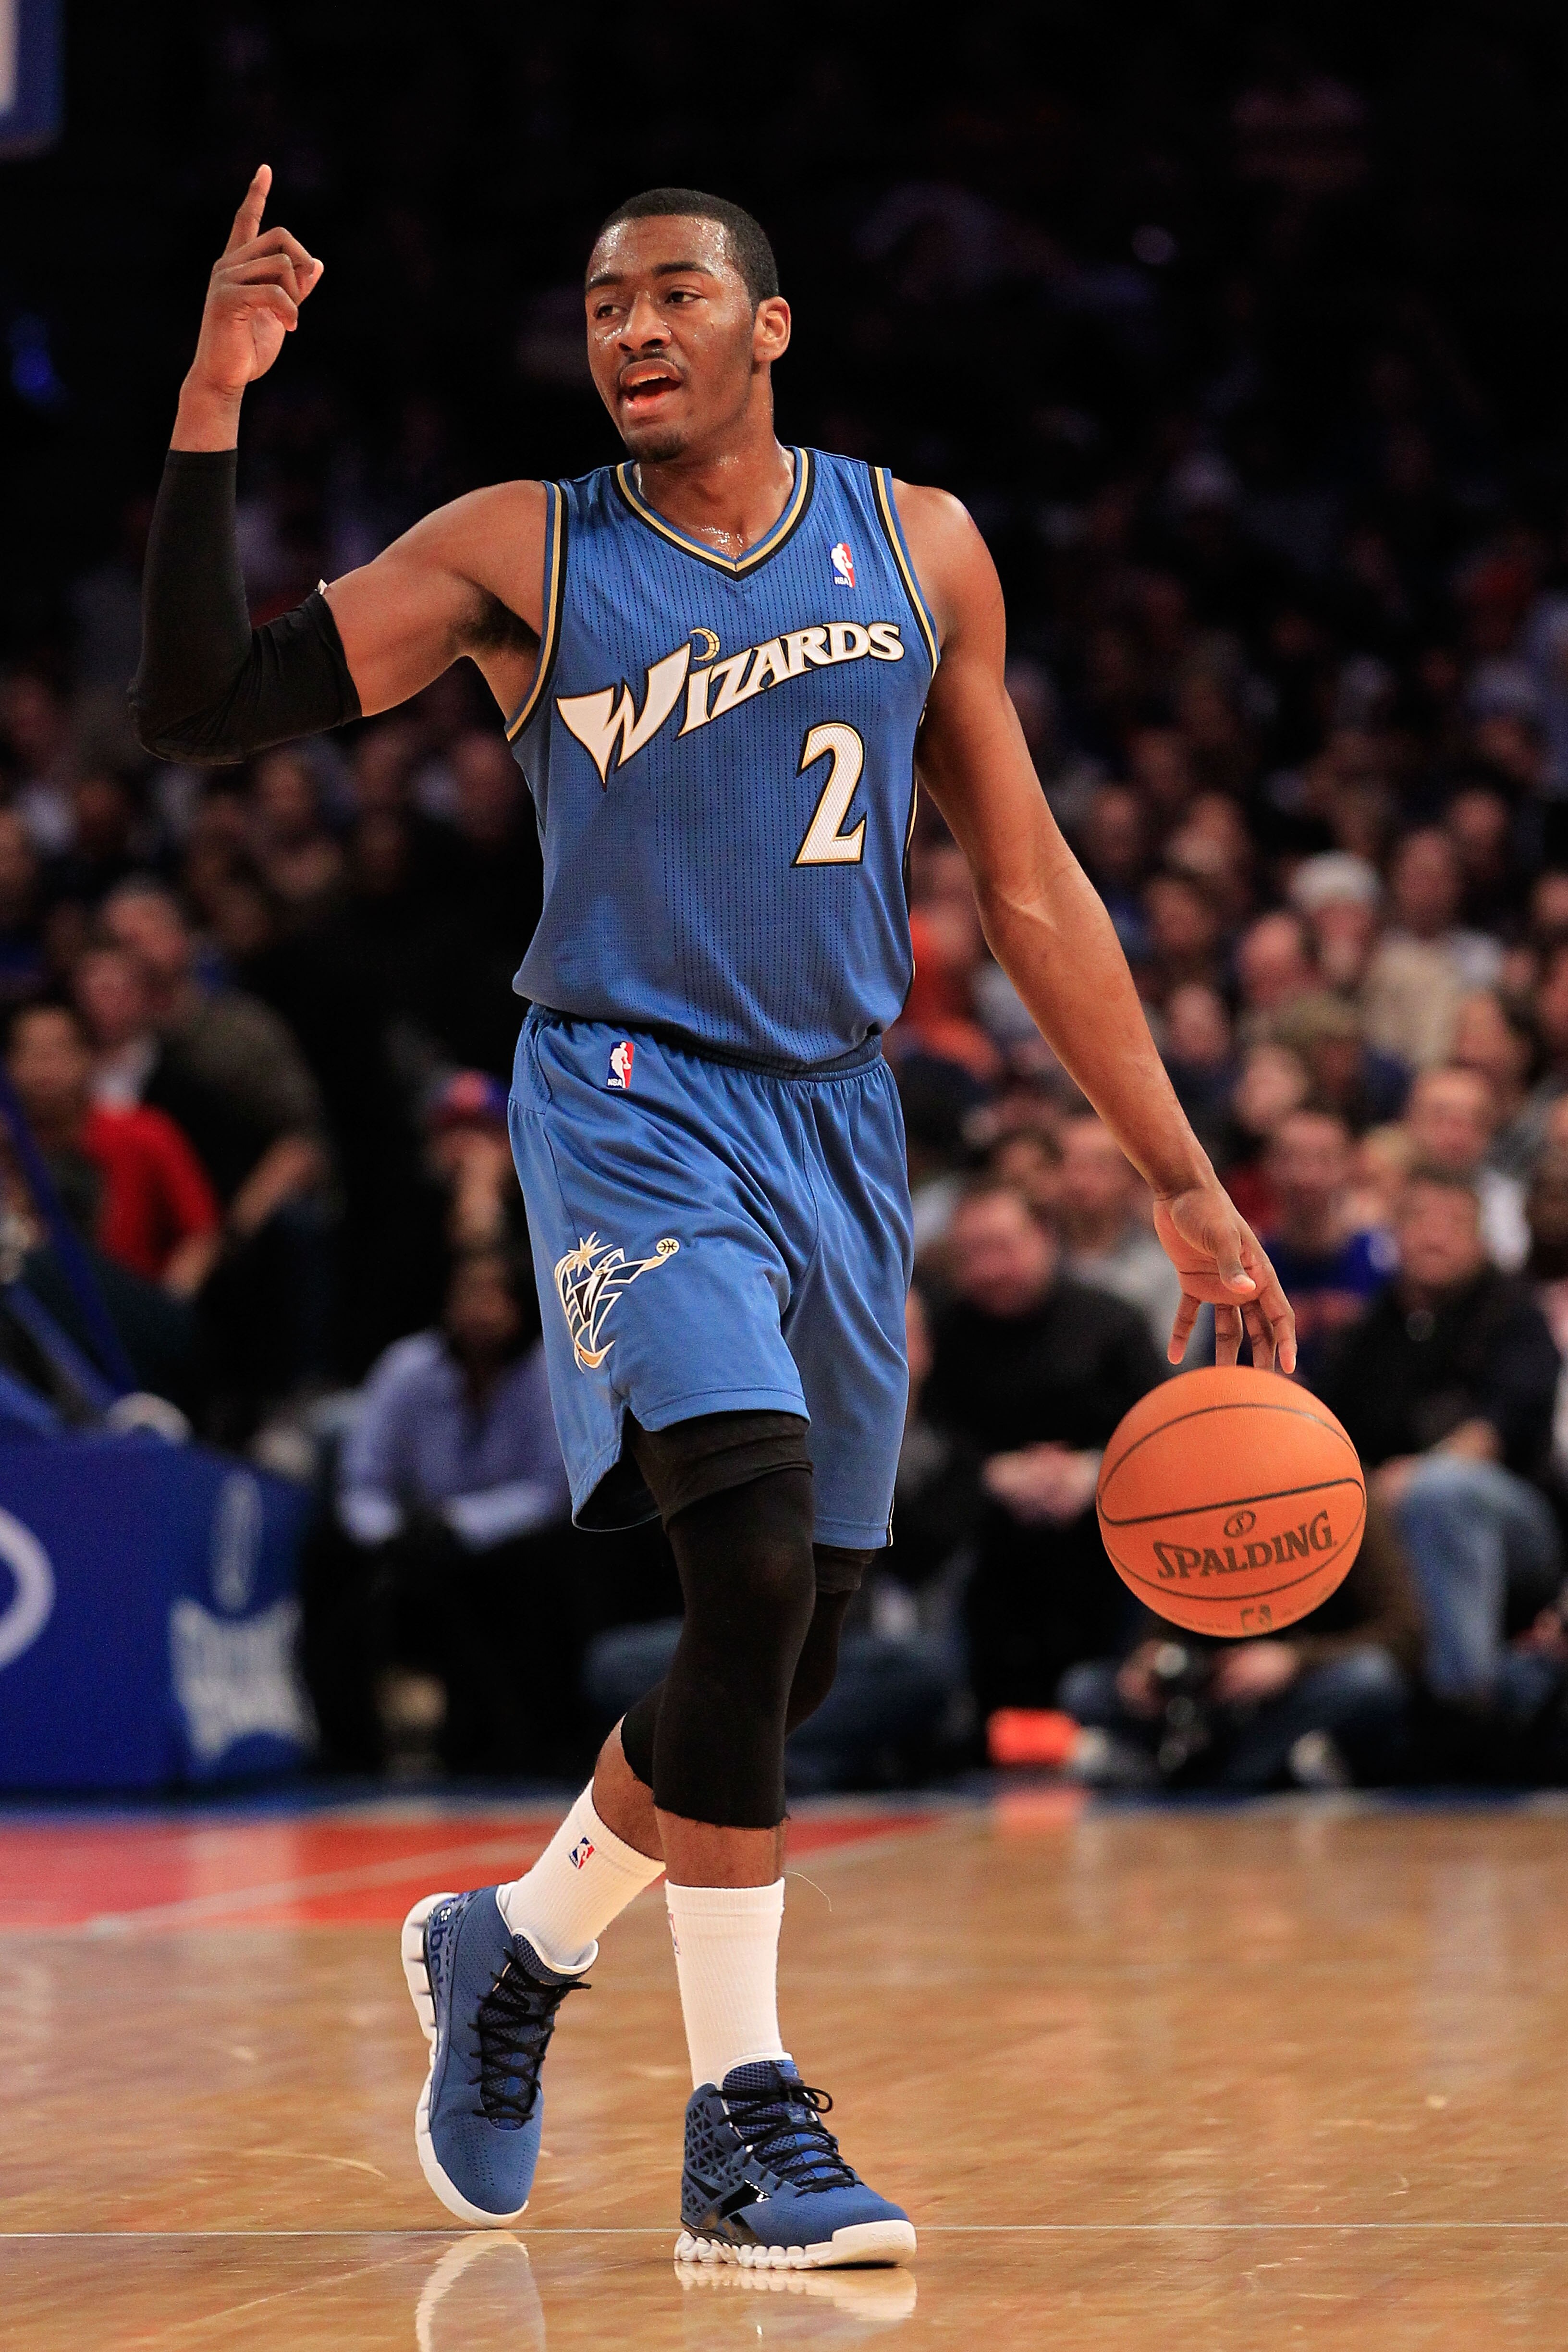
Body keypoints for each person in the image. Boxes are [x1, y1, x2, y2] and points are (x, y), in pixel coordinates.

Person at [133, 171, 1294, 2266]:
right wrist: (216, 395)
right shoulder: (523, 550)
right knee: (745, 1553)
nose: (634, 328)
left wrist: (1178, 1171)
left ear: (769, 327)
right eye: (604, 304)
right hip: (628, 1096)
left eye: (676, 293)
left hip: (837, 1120)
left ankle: (519, 1938)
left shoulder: (918, 542)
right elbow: (206, 703)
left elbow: (1025, 883)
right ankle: (743, 2122)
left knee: (792, 1638)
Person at [1319, 1170, 1562, 1714]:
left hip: (1518, 1528)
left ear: (1481, 1240)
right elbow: (1327, 1440)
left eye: (1453, 1223)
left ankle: (1462, 1706)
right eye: (1420, 1220)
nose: (1435, 1237)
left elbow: (1490, 1435)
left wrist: (1406, 1480)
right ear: (1394, 1234)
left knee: (1441, 1491)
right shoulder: (1368, 1329)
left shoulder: (1514, 1315)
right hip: (1383, 1519)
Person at [926, 1178, 1168, 1716]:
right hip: (986, 1536)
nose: (988, 1270)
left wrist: (1093, 1472)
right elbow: (927, 1436)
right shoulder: (945, 1332)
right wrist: (995, 1474)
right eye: (971, 1255)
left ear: (1045, 1239)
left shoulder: (1113, 1322)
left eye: (1002, 1249)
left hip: (1104, 1528)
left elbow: (1163, 1431)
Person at [330, 1248, 576, 1772]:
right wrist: (389, 1533)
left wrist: (462, 1524)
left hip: (505, 1548)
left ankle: (522, 1744)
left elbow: (553, 1489)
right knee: (333, 1563)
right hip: (410, 1544)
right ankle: (350, 1746)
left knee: (550, 1566)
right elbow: (362, 1481)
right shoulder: (406, 1369)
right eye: (469, 1294)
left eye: (495, 1295)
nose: (481, 1310)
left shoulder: (550, 1373)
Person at [1060, 1492, 1421, 1789]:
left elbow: (1405, 1634)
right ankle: (1269, 1770)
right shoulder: (1195, 1498)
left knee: (1369, 1678)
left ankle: (1199, 1776)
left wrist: (1293, 1660)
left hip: (1301, 1692)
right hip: (1213, 1690)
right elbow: (1164, 1621)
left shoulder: (1344, 1493)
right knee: (1084, 1688)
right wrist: (1148, 1666)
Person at [5, 1002, 220, 1294]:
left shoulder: (145, 1132)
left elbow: (201, 1233)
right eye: (28, 1052)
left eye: (58, 1050)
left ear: (90, 1058)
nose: (43, 1068)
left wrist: (168, 1303)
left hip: (134, 1300)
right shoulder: (7, 1148)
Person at [1259, 1105, 1396, 1383]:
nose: (1306, 1177)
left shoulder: (1386, 1263)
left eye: (1324, 1160)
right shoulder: (1246, 1267)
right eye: (1292, 1158)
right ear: (1268, 1164)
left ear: (1351, 1166)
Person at [1057, 1110, 1182, 1354]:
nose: (1079, 1181)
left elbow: (1172, 1361)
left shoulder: (1165, 1270)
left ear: (1132, 1176)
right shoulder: (1031, 1261)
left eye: (1099, 1166)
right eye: (1070, 1163)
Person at [1402, 1063, 1528, 1272]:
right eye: (1440, 1118)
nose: (1455, 1137)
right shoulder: (1374, 1193)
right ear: (1410, 1122)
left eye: (1472, 1121)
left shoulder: (1514, 1209)